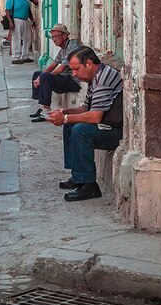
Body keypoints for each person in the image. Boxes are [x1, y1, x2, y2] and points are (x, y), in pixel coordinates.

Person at [47, 47, 123, 202]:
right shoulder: (94, 78)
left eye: (76, 69)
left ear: (89, 64)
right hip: (105, 126)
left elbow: (95, 117)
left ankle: (89, 186)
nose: (74, 74)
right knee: (70, 126)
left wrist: (65, 118)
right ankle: (77, 176)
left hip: (116, 131)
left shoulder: (104, 78)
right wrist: (64, 111)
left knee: (80, 130)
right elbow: (85, 108)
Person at [29, 23, 82, 122]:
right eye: (52, 37)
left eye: (56, 36)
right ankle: (42, 107)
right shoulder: (63, 49)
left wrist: (42, 77)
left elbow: (60, 69)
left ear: (64, 36)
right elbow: (52, 65)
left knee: (45, 77)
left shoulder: (72, 47)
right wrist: (39, 77)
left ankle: (46, 111)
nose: (54, 39)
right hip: (65, 78)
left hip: (73, 81)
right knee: (37, 74)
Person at [5, 0, 36, 64]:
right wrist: (10, 22)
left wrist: (32, 20)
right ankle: (15, 58)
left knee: (27, 39)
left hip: (25, 20)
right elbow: (7, 11)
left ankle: (25, 56)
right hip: (16, 20)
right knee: (17, 39)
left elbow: (28, 11)